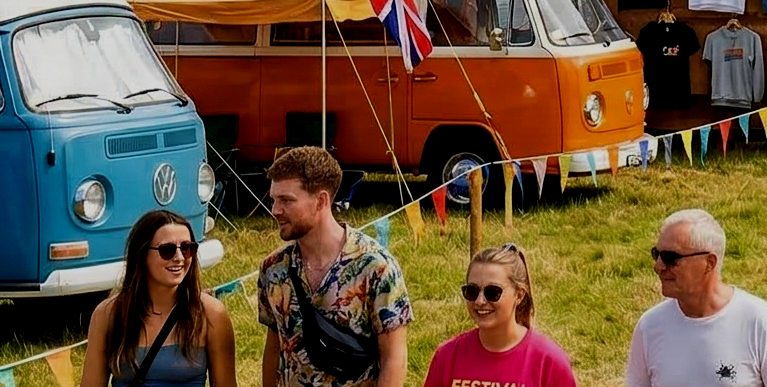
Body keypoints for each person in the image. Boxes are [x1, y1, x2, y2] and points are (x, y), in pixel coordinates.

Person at [257, 147, 411, 387]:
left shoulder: (376, 268)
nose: (275, 210)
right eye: (273, 199)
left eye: (286, 200)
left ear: (321, 201)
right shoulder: (273, 269)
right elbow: (275, 346)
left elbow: (394, 358)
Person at [628, 210, 767, 387]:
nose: (658, 266)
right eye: (657, 254)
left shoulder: (758, 320)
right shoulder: (649, 326)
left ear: (709, 263)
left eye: (670, 258)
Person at [83, 211, 237, 387]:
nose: (179, 258)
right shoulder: (108, 314)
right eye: (167, 250)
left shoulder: (211, 314)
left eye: (187, 248)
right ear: (141, 255)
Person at [423, 247, 576, 387]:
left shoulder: (549, 362)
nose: (480, 301)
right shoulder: (447, 356)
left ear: (519, 295)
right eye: (472, 291)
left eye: (492, 292)